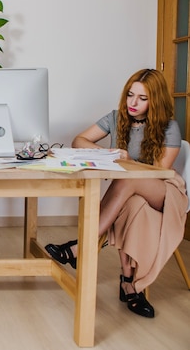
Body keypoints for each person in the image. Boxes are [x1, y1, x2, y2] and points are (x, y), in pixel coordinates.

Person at [45, 68, 188, 319]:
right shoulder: (115, 117)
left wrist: (129, 161)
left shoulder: (169, 127)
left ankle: (82, 245)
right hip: (132, 194)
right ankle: (128, 286)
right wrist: (108, 154)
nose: (133, 103)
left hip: (163, 191)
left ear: (156, 100)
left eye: (142, 98)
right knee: (130, 202)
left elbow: (157, 172)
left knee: (128, 180)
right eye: (130, 95)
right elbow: (79, 141)